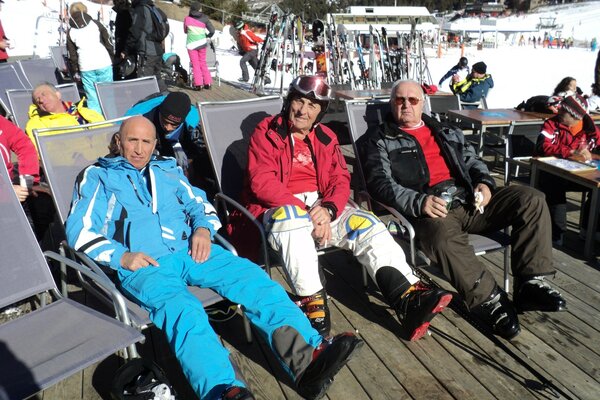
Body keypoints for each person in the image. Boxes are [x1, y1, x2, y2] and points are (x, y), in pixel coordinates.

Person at [65, 115, 363, 400]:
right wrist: (123, 256)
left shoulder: (167, 169)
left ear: (156, 144)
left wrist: (204, 230)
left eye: (147, 142)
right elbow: (79, 231)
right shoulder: (98, 176)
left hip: (191, 249)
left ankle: (308, 358)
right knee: (185, 311)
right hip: (146, 265)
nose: (140, 149)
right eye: (132, 140)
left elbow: (199, 204)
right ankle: (222, 390)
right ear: (118, 141)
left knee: (252, 278)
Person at [229, 75, 452, 341]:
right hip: (279, 208)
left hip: (322, 208)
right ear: (289, 101)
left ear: (320, 112)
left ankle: (407, 296)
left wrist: (329, 210)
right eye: (298, 101)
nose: (303, 110)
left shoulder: (326, 137)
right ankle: (311, 302)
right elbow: (261, 181)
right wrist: (306, 211)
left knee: (368, 226)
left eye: (312, 106)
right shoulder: (267, 132)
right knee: (291, 220)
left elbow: (339, 179)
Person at [358, 80, 567, 340]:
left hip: (470, 201)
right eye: (400, 100)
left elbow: (472, 160)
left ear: (423, 103)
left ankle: (530, 282)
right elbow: (380, 184)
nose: (406, 105)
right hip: (431, 209)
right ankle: (488, 299)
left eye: (413, 100)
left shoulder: (445, 130)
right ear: (392, 103)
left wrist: (485, 183)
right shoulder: (378, 139)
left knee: (531, 198)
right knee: (442, 237)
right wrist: (419, 202)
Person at [534, 93, 600, 244]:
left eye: (563, 110)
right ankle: (557, 233)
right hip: (551, 171)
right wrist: (570, 152)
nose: (559, 112)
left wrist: (592, 154)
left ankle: (590, 230)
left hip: (581, 173)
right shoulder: (551, 124)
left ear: (575, 116)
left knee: (598, 187)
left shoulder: (592, 131)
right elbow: (542, 146)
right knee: (553, 183)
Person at [124, 91, 216, 195]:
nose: (168, 127)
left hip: (180, 147)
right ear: (160, 112)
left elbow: (203, 154)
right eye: (165, 121)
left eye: (174, 124)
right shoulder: (141, 118)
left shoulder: (195, 126)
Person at [0, 115, 55, 245]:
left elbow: (24, 145)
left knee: (44, 204)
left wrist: (28, 182)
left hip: (10, 192)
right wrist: (6, 192)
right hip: (6, 196)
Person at [25, 82, 105, 150]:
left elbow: (107, 131)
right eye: (37, 100)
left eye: (44, 94)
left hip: (106, 156)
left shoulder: (84, 111)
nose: (41, 100)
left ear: (58, 95)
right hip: (76, 164)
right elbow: (46, 153)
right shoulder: (36, 124)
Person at [67, 2, 114, 114]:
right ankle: (112, 118)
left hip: (85, 65)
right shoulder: (96, 24)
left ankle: (96, 122)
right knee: (108, 94)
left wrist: (75, 70)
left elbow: (72, 55)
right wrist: (112, 57)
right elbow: (108, 42)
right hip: (103, 61)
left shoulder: (71, 31)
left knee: (92, 97)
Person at [126, 0, 167, 91]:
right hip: (157, 49)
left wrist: (127, 48)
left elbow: (135, 31)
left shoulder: (141, 9)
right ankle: (165, 98)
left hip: (147, 50)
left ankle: (146, 102)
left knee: (144, 80)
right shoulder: (153, 8)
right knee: (157, 77)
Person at [184, 2, 215, 90]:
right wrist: (207, 36)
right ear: (199, 9)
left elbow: (185, 31)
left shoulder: (187, 19)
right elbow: (212, 30)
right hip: (202, 43)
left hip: (191, 44)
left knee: (195, 64)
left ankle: (198, 84)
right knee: (203, 63)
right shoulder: (205, 18)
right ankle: (208, 83)